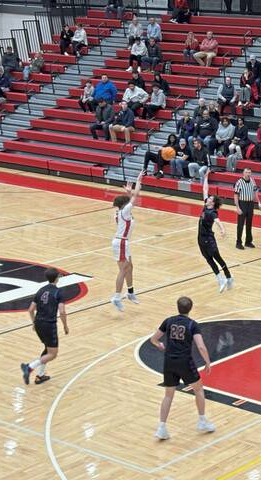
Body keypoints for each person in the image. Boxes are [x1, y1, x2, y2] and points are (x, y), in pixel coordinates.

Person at [150, 296, 216, 440]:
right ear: (190, 308)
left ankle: (161, 428)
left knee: (168, 395)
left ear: (177, 307)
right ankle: (202, 421)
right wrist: (207, 362)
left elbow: (154, 339)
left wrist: (159, 345)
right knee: (198, 389)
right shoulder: (192, 324)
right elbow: (200, 346)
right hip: (185, 362)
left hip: (169, 362)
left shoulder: (168, 321)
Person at [20, 268, 69, 385]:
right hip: (49, 325)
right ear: (57, 278)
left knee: (47, 349)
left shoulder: (41, 290)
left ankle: (40, 376)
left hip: (38, 323)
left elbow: (31, 309)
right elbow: (62, 312)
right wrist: (65, 326)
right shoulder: (58, 292)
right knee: (53, 354)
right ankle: (29, 367)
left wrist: (34, 322)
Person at [110, 171, 143, 311]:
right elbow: (136, 196)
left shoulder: (120, 212)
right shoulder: (124, 212)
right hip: (121, 242)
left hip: (123, 242)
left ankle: (130, 292)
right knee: (123, 270)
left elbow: (131, 199)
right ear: (125, 204)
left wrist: (128, 193)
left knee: (130, 267)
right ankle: (116, 297)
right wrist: (139, 180)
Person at [199, 173, 233, 292]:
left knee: (217, 258)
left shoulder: (212, 212)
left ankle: (229, 276)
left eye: (210, 199)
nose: (207, 198)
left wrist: (222, 229)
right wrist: (206, 177)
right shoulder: (205, 206)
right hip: (200, 239)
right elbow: (205, 189)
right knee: (208, 259)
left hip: (209, 239)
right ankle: (220, 279)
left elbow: (217, 221)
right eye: (208, 198)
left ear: (212, 203)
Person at [234, 167, 261, 249]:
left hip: (250, 204)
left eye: (249, 172)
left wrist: (259, 202)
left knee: (249, 223)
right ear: (243, 173)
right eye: (246, 172)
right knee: (240, 224)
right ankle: (238, 242)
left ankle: (248, 241)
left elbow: (255, 192)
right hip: (242, 203)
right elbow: (235, 195)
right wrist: (237, 207)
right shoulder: (239, 182)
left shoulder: (253, 181)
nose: (248, 174)